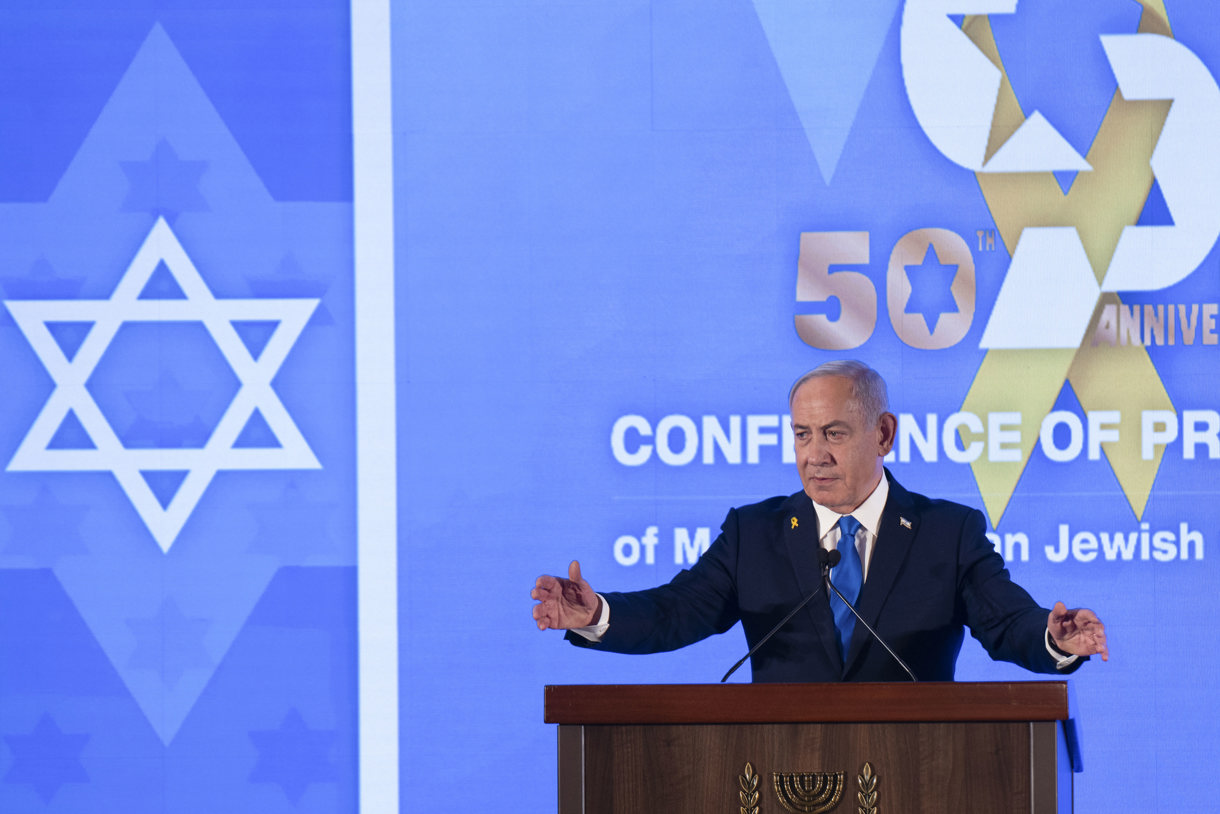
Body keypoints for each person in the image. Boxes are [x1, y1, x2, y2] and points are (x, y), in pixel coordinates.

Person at [531, 360, 1108, 682]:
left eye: (834, 433)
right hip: (780, 772)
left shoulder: (948, 534)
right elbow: (676, 612)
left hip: (917, 768)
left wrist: (1054, 639)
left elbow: (1007, 623)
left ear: (883, 434)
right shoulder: (753, 534)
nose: (815, 455)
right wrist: (597, 613)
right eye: (802, 435)